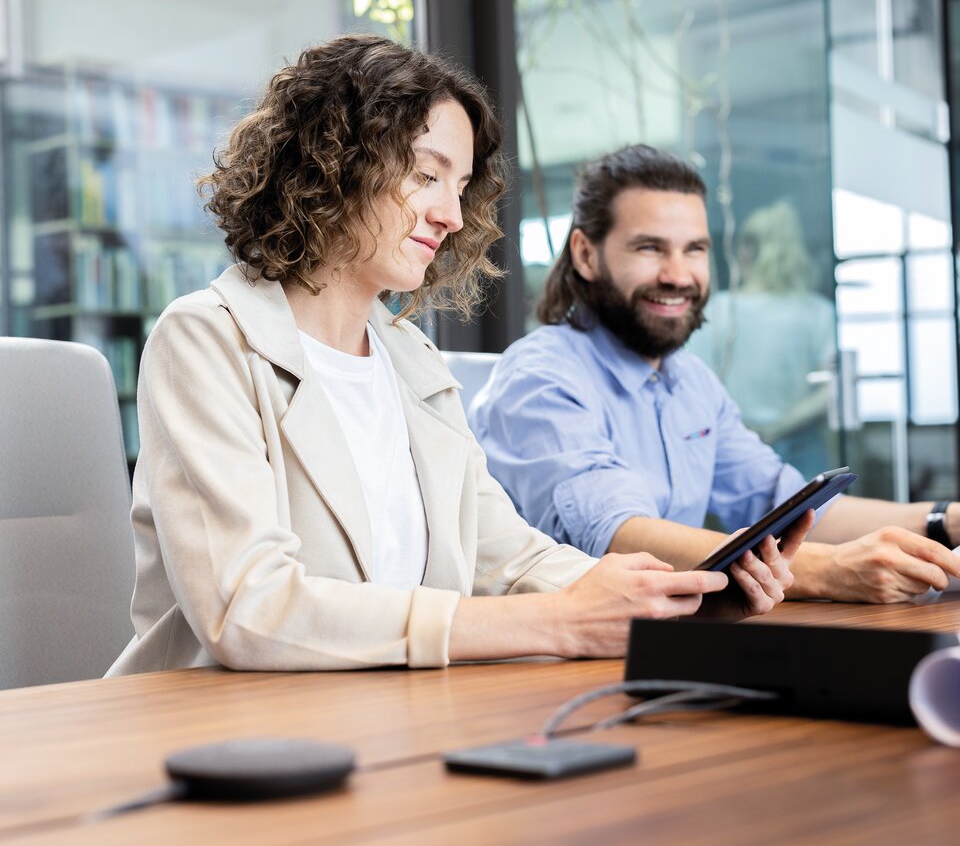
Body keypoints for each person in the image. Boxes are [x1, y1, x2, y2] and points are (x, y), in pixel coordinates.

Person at [107, 39, 803, 677]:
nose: (452, 214)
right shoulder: (207, 339)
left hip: (383, 722)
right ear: (330, 164)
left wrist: (676, 602)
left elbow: (509, 555)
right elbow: (248, 610)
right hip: (224, 747)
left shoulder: (411, 359)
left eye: (461, 186)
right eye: (425, 175)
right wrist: (554, 623)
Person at [469, 144, 960, 605]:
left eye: (694, 249)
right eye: (649, 248)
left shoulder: (692, 382)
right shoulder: (539, 377)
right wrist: (829, 569)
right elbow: (618, 537)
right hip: (551, 665)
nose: (678, 275)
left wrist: (944, 522)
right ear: (585, 254)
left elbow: (789, 507)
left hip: (666, 637)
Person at [686, 200, 835, 479]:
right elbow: (833, 389)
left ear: (745, 251)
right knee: (819, 520)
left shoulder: (717, 310)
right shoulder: (817, 312)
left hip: (742, 445)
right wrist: (779, 427)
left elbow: (692, 383)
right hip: (781, 444)